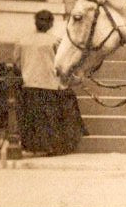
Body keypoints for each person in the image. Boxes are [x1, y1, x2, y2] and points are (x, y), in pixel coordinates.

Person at [11, 10, 84, 156]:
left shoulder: (22, 41)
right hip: (50, 86)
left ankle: (36, 147)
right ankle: (55, 146)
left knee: (35, 117)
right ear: (51, 24)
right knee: (54, 116)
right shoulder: (56, 42)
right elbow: (63, 63)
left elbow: (16, 64)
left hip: (30, 84)